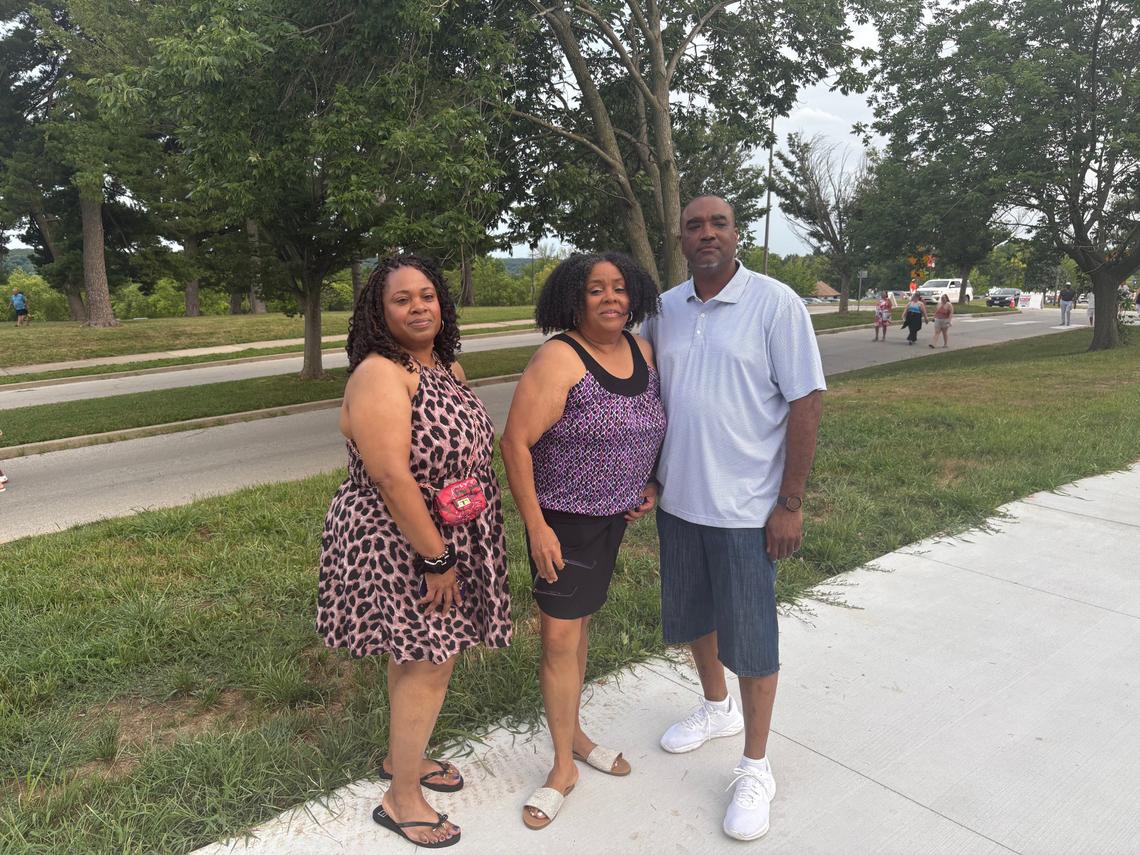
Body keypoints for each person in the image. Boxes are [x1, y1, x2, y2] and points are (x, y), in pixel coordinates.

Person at [641, 195, 825, 842]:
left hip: (749, 511)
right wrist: (650, 475)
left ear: (736, 234)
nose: (707, 233)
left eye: (718, 222)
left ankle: (755, 765)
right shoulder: (663, 310)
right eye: (694, 224)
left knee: (752, 638)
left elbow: (805, 402)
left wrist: (791, 501)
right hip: (681, 503)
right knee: (695, 617)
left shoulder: (776, 304)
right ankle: (714, 707)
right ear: (681, 238)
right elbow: (646, 395)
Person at [316, 254, 512, 849]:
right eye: (401, 299)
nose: (418, 306)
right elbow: (390, 476)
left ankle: (406, 759)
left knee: (414, 656)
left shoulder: (444, 366)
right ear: (379, 312)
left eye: (427, 295)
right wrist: (436, 557)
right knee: (430, 660)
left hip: (449, 530)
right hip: (402, 539)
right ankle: (402, 799)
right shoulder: (381, 373)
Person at [501, 251, 666, 830]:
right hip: (562, 522)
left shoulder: (642, 351)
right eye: (596, 290)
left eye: (619, 288)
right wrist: (537, 527)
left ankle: (576, 736)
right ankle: (560, 768)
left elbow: (644, 428)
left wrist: (647, 480)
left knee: (580, 628)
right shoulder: (558, 358)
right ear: (574, 299)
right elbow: (515, 443)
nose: (610, 298)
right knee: (557, 640)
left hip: (611, 521)